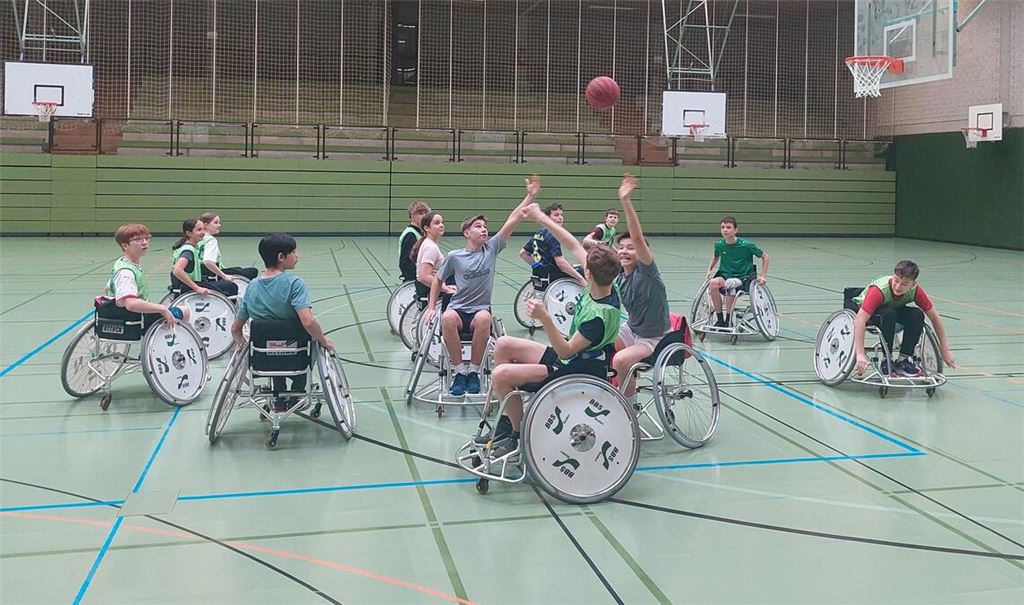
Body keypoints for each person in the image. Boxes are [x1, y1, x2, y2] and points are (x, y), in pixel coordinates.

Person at [480, 197, 623, 457]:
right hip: (567, 358)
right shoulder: (603, 284)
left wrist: (545, 318)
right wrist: (541, 218)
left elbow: (567, 350)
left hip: (578, 369)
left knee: (501, 375)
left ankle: (515, 434)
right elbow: (570, 242)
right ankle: (506, 422)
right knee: (503, 344)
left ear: (588, 273)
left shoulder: (598, 317)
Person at [425, 176, 539, 396]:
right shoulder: (455, 256)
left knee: (484, 319)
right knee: (447, 317)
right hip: (458, 309)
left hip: (480, 310)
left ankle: (474, 372)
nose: (484, 230)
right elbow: (438, 279)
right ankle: (459, 372)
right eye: (478, 226)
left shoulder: (492, 248)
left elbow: (513, 219)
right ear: (467, 233)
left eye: (485, 227)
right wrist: (431, 307)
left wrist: (530, 195)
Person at [230, 233, 334, 408]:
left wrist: (243, 346)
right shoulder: (295, 284)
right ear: (281, 257)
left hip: (265, 358)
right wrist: (323, 340)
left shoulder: (252, 287)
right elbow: (308, 322)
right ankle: (297, 391)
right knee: (309, 341)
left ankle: (278, 393)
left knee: (271, 347)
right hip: (297, 355)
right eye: (294, 252)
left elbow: (235, 329)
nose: (297, 256)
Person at [610, 174, 672, 409]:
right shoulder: (619, 275)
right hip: (632, 330)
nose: (624, 251)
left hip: (655, 337)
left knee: (621, 359)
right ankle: (615, 388)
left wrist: (625, 201)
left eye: (631, 248)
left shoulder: (647, 271)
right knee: (598, 343)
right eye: (621, 247)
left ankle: (628, 408)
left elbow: (637, 236)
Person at [847, 260, 956, 376]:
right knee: (888, 314)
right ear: (893, 276)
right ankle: (886, 360)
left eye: (904, 284)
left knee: (917, 314)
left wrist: (944, 350)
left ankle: (904, 360)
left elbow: (935, 317)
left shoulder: (916, 291)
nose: (898, 286)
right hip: (869, 312)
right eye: (896, 280)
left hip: (893, 309)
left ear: (913, 284)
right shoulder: (878, 291)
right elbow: (860, 320)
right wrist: (860, 353)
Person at [105, 223, 187, 326]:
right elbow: (131, 304)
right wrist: (162, 309)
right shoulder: (126, 272)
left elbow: (107, 287)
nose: (144, 243)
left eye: (146, 238)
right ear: (125, 245)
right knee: (185, 311)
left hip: (133, 315)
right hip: (136, 320)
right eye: (138, 240)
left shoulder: (122, 262)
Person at [704, 216, 769, 327]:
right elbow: (715, 257)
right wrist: (709, 269)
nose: (725, 230)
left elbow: (765, 257)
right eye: (722, 227)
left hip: (743, 278)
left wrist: (763, 276)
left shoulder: (746, 245)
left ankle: (729, 320)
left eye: (728, 227)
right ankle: (720, 319)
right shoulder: (719, 244)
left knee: (730, 283)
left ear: (735, 230)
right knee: (713, 283)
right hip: (725, 275)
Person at [519, 203, 587, 288]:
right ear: (548, 218)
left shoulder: (540, 232)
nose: (560, 218)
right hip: (553, 275)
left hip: (541, 275)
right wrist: (581, 279)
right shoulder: (553, 235)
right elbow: (561, 263)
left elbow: (523, 253)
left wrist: (537, 267)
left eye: (561, 215)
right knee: (584, 271)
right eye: (556, 215)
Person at [170, 219, 238, 299]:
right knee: (231, 286)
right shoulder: (188, 251)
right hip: (189, 288)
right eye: (199, 230)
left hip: (186, 286)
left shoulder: (183, 247)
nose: (203, 232)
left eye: (203, 229)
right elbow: (177, 271)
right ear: (189, 233)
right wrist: (197, 288)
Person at [411, 211, 456, 309]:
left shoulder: (428, 243)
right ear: (427, 228)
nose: (441, 225)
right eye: (437, 223)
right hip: (428, 288)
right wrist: (446, 289)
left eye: (442, 222)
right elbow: (424, 276)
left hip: (427, 286)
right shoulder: (430, 247)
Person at [197, 212, 259, 284]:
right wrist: (224, 276)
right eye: (216, 223)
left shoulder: (196, 238)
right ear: (206, 225)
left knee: (238, 269)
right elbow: (208, 262)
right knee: (253, 271)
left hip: (201, 272)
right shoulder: (210, 240)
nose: (219, 225)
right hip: (215, 274)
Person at [399, 201, 431, 283]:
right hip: (414, 280)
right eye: (420, 213)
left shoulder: (418, 233)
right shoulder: (411, 234)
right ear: (412, 216)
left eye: (426, 213)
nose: (424, 216)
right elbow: (405, 262)